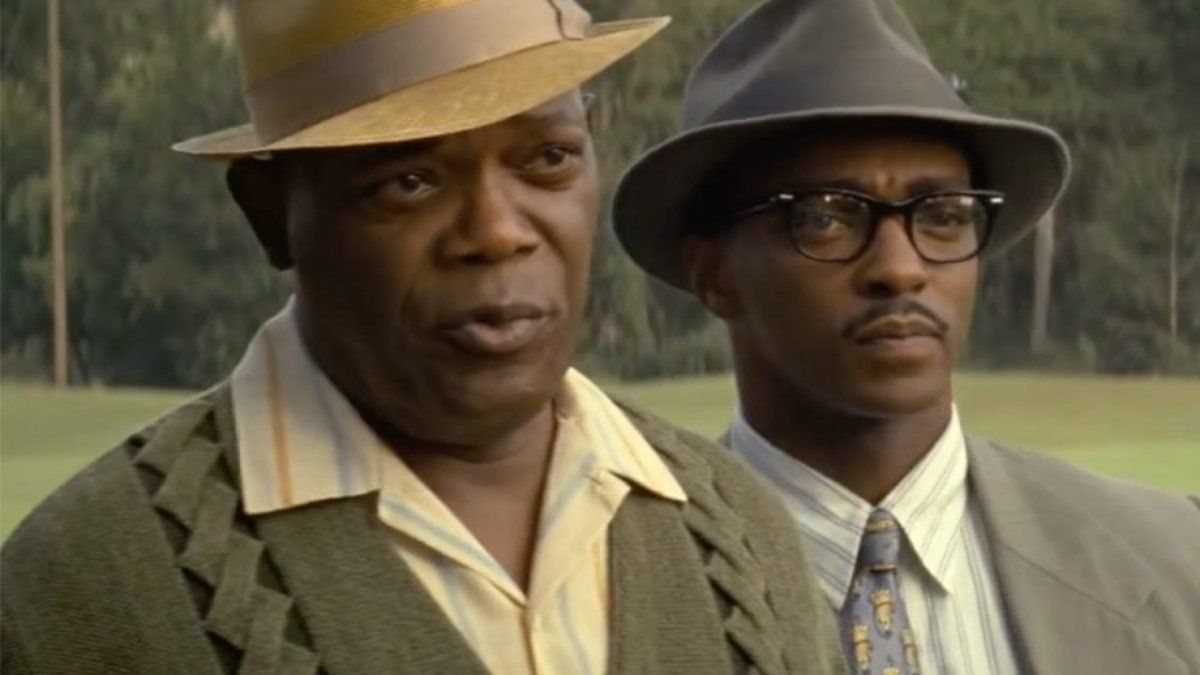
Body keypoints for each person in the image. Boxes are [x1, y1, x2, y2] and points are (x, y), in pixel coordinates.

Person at [0, 2, 848, 674]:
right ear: (271, 215)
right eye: (409, 180)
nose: (497, 231)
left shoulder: (745, 535)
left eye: (548, 158)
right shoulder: (84, 587)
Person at [612, 0, 1200, 673]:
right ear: (713, 274)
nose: (899, 267)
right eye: (827, 217)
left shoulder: (1174, 559)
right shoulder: (611, 597)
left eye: (943, 214)